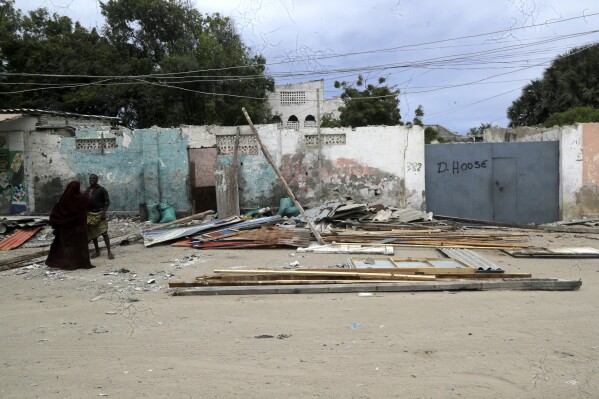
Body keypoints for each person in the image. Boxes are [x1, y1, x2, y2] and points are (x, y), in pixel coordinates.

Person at [45, 181, 94, 270]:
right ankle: (83, 263)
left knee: (67, 246)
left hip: (66, 228)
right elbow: (91, 205)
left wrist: (59, 222)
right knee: (80, 245)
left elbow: (56, 212)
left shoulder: (64, 199)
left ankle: (69, 264)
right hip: (80, 227)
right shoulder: (83, 198)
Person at [85, 174, 114, 260]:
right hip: (90, 214)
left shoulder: (102, 190)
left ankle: (109, 252)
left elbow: (107, 202)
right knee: (93, 234)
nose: (92, 179)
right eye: (90, 178)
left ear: (97, 180)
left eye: (94, 178)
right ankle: (97, 251)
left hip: (100, 213)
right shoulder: (87, 190)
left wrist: (103, 213)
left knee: (104, 232)